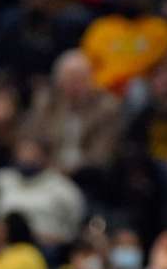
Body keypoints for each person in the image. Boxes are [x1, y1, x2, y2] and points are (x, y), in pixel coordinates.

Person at [22, 50, 123, 178]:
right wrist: (31, 153)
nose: (74, 86)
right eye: (68, 80)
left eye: (79, 80)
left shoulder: (107, 108)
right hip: (45, 171)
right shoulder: (46, 102)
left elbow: (101, 155)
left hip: (87, 176)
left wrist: (65, 170)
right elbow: (29, 137)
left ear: (91, 80)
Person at [0, 136, 85, 249]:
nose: (26, 157)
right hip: (2, 248)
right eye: (22, 152)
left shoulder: (64, 189)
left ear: (45, 156)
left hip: (45, 249)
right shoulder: (3, 179)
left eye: (31, 153)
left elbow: (74, 229)